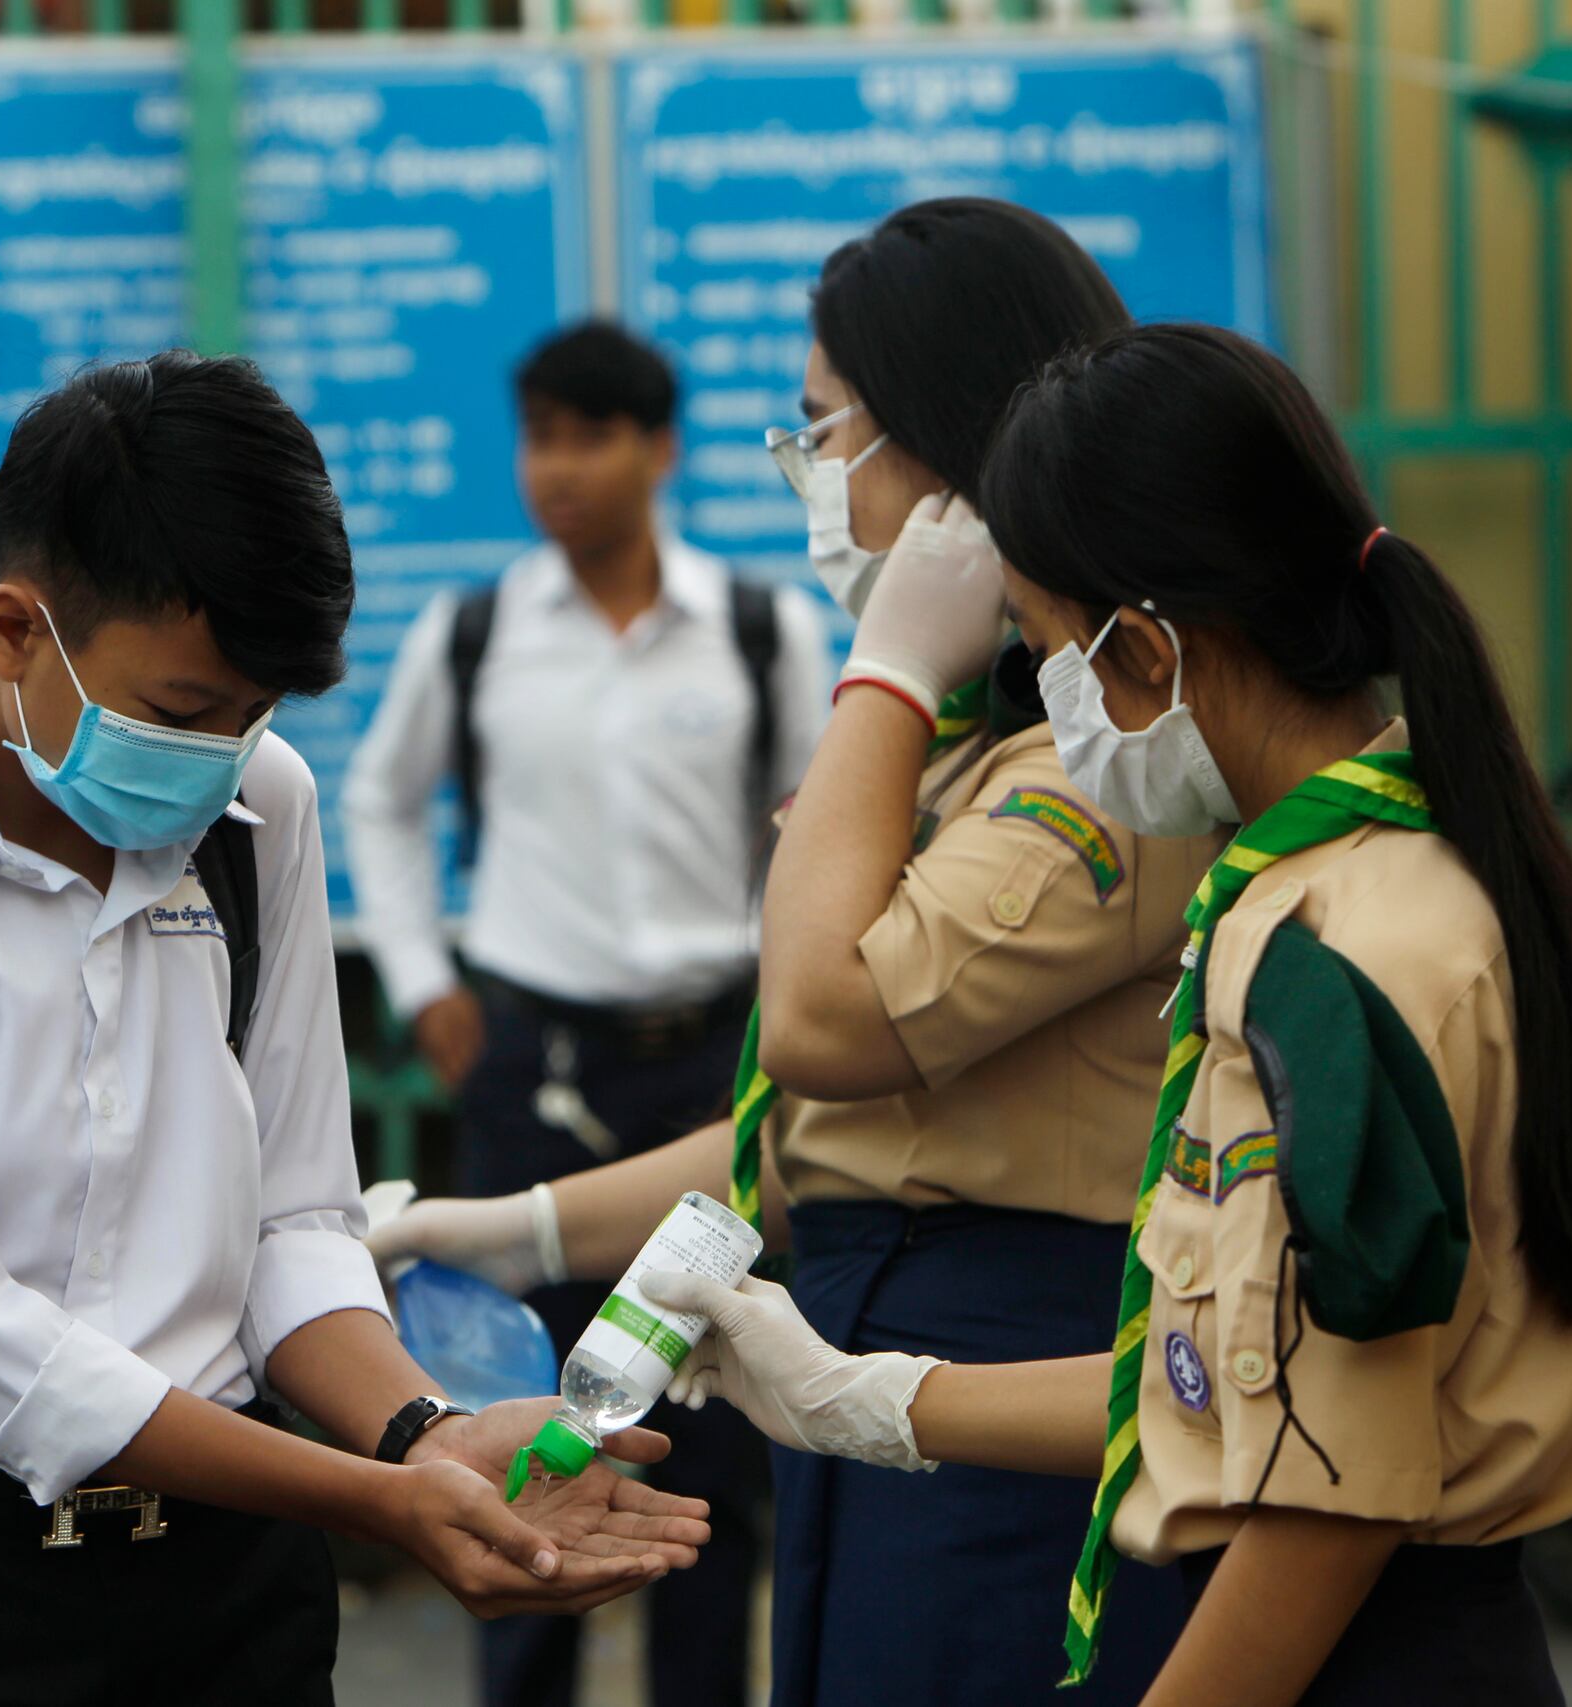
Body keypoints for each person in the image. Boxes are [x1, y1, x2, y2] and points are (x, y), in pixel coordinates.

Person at [647, 322, 1572, 1707]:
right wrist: (875, 1398)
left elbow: (1325, 1503)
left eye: (1043, 643)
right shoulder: (1392, 878)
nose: (1052, 702)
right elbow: (1227, 1386)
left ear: (1145, 647)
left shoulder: (1337, 959)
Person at [0, 352, 710, 1706]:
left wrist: (427, 1434)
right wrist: (370, 1496)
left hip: (227, 1585)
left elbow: (295, 1222)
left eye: (254, 717)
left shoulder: (260, 814)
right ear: (13, 629)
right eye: (181, 713)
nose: (219, 756)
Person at [369, 200, 1207, 1704]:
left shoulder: (1100, 768)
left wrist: (882, 672)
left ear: (944, 458)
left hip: (1008, 1361)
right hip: (865, 1328)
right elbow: (803, 1129)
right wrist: (505, 1229)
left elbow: (820, 1024)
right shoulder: (976, 742)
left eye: (825, 431)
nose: (813, 475)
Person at [343, 319, 825, 1707]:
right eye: (540, 436)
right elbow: (380, 797)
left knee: (711, 1450)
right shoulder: (479, 629)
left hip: (709, 1076)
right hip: (530, 1070)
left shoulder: (755, 627)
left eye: (591, 435)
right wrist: (428, 979)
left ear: (660, 449)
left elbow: (816, 828)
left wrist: (780, 990)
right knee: (525, 1432)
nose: (559, 468)